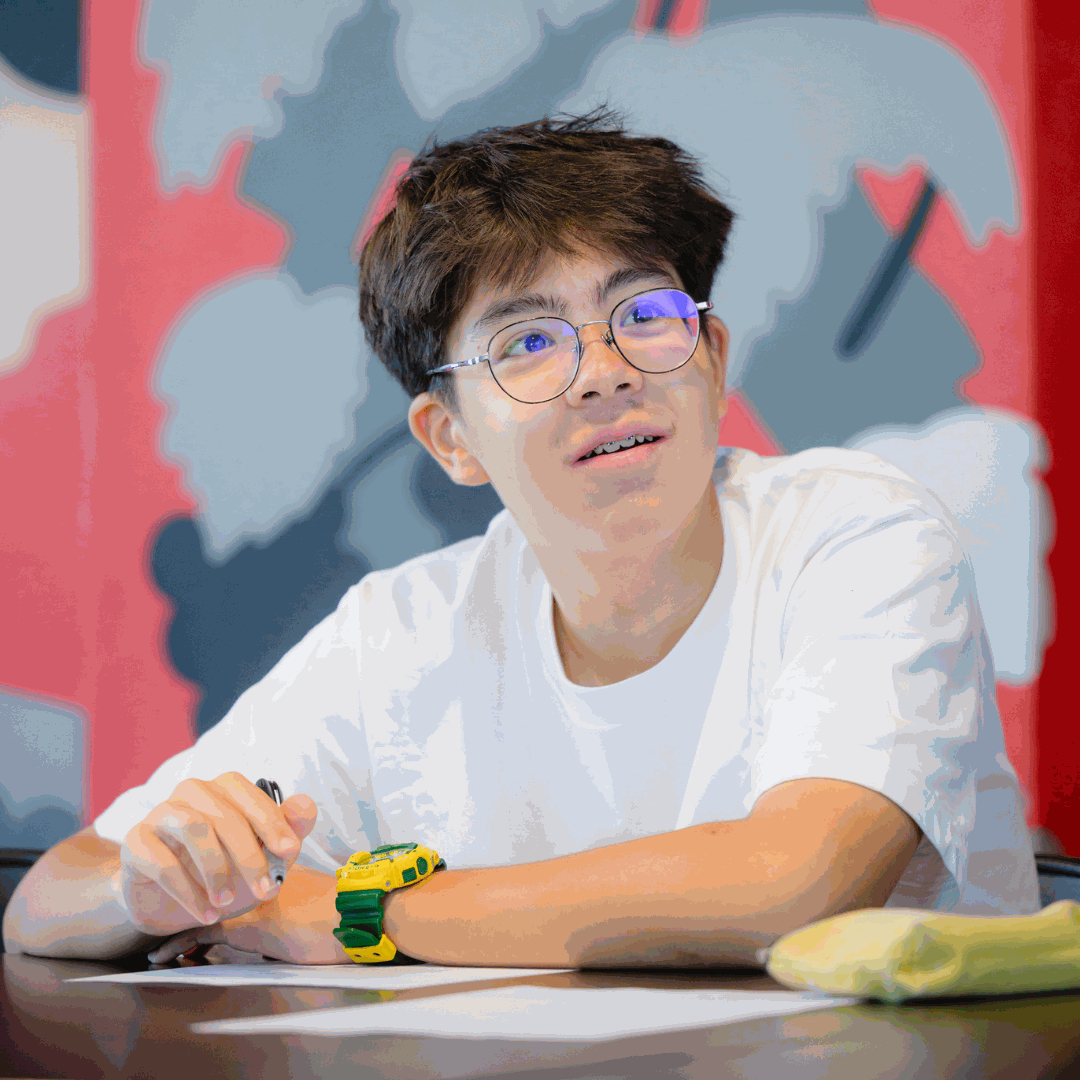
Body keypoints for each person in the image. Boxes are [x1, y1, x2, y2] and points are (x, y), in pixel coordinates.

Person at [3, 112, 1039, 967]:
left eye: (645, 313)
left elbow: (793, 882)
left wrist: (365, 913)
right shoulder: (402, 632)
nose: (605, 371)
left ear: (713, 358)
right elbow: (50, 897)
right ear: (450, 437)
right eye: (529, 341)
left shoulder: (855, 532)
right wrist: (148, 887)